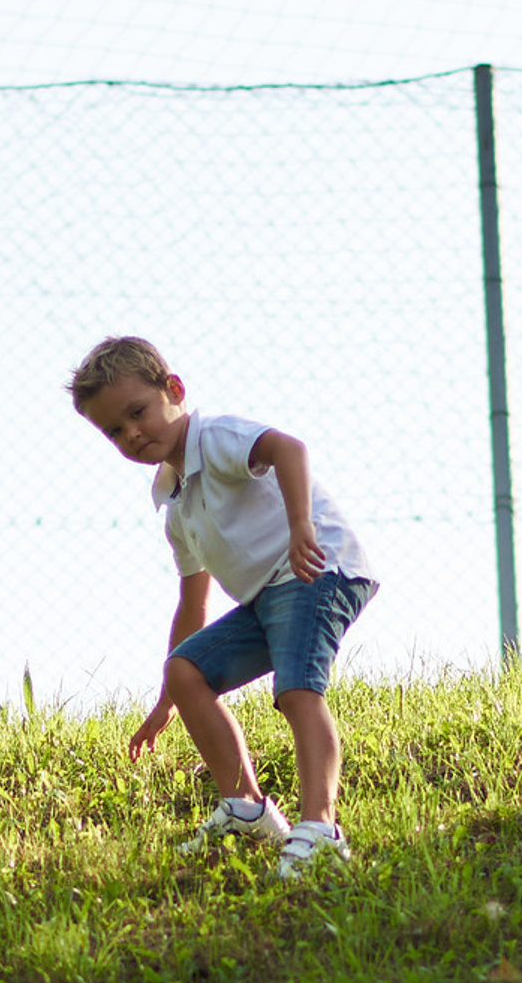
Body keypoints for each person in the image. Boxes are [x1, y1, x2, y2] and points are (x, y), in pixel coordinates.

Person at [70, 336, 378, 877]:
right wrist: (168, 702)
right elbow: (194, 600)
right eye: (114, 430)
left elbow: (289, 448)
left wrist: (302, 524)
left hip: (315, 568)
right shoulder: (173, 501)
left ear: (174, 389)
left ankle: (321, 828)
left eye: (137, 412)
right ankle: (247, 809)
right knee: (186, 669)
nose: (132, 433)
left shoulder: (215, 438)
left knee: (298, 688)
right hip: (267, 599)